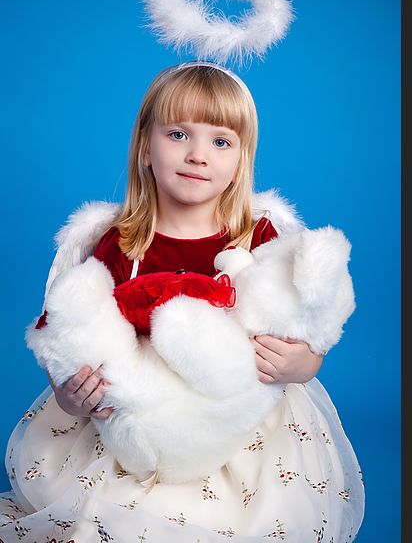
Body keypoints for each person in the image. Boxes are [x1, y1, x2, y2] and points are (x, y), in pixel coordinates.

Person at [0, 63, 364, 542]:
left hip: (243, 419)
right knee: (117, 521)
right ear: (145, 149)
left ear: (240, 161)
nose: (197, 155)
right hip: (139, 420)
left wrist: (305, 363)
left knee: (241, 523)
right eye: (177, 134)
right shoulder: (119, 244)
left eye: (220, 141)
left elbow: (308, 319)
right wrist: (71, 396)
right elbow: (68, 331)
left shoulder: (260, 237)